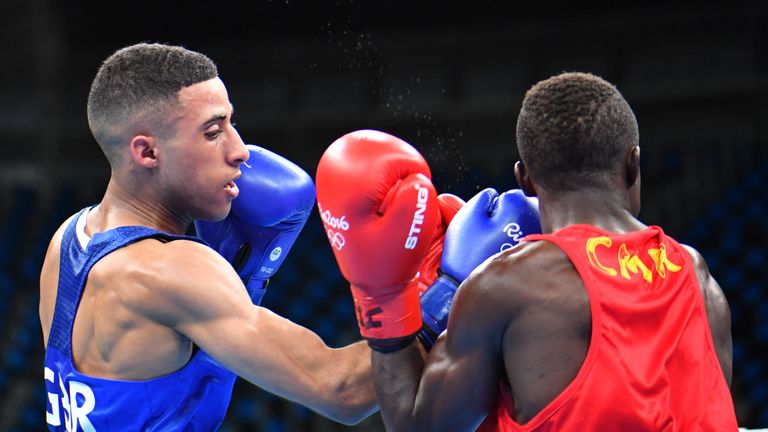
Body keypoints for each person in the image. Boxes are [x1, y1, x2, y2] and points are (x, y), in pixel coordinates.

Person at [318, 73, 739, 430]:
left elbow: (420, 426)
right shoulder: (699, 280)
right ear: (633, 164)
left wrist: (384, 298)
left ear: (526, 181)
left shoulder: (508, 286)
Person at [39, 42, 380, 431]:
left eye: (232, 125)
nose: (240, 151)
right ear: (147, 152)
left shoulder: (67, 238)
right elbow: (341, 391)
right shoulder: (171, 270)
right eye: (213, 131)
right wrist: (444, 295)